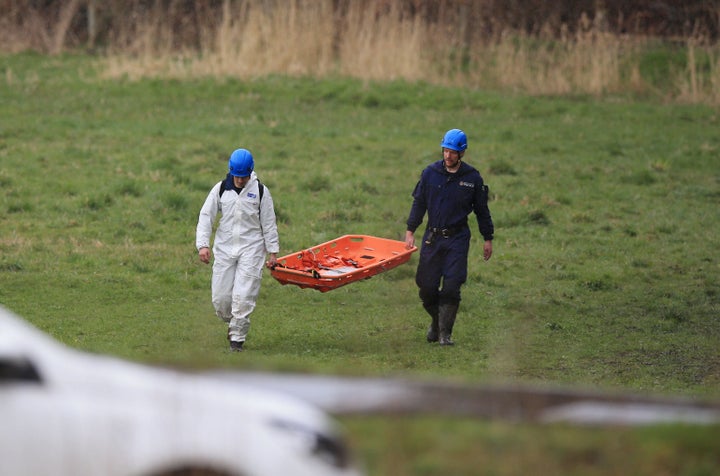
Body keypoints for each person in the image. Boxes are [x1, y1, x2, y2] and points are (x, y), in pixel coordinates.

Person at [405, 129, 494, 346]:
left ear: (461, 153)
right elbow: (419, 203)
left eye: (453, 152)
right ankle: (437, 320)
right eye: (445, 150)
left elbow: (482, 211)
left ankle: (445, 334)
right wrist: (410, 231)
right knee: (425, 286)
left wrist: (487, 237)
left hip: (457, 240)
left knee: (452, 286)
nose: (448, 156)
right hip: (432, 238)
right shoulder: (429, 173)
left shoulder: (473, 179)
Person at [196, 148, 279, 352]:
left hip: (252, 249)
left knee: (243, 298)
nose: (240, 180)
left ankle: (237, 340)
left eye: (244, 176)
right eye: (237, 176)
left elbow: (269, 223)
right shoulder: (221, 189)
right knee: (221, 300)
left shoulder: (260, 191)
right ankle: (232, 322)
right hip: (224, 249)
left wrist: (273, 252)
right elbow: (206, 216)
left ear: (251, 172)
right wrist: (203, 245)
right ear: (231, 171)